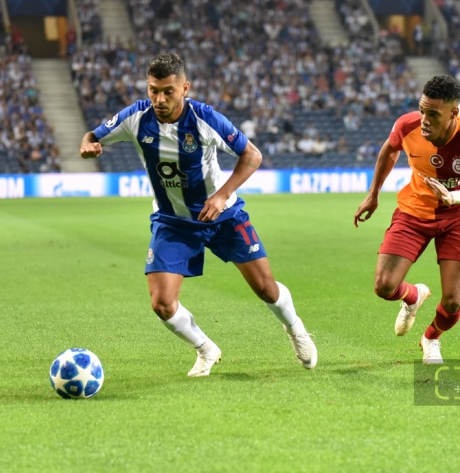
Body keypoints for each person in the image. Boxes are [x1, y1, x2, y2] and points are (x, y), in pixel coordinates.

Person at [79, 53, 317, 377]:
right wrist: (89, 145)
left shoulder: (205, 118)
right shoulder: (135, 117)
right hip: (173, 222)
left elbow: (252, 155)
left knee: (266, 288)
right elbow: (92, 136)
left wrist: (221, 195)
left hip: (222, 216)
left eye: (168, 91)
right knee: (162, 303)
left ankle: (296, 328)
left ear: (184, 88)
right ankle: (206, 349)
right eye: (153, 91)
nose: (159, 99)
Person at [353, 75, 460, 364]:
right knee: (384, 286)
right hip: (414, 211)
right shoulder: (406, 125)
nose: (424, 120)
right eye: (422, 110)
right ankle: (413, 296)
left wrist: (454, 197)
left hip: (458, 216)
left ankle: (431, 338)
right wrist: (373, 194)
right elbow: (389, 150)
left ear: (453, 113)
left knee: (453, 300)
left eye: (433, 114)